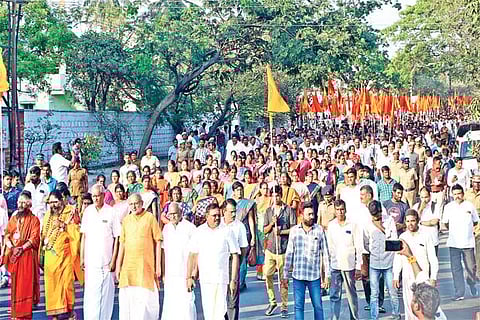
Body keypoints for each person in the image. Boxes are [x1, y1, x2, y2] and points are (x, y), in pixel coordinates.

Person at [187, 202, 240, 320]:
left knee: (220, 312)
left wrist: (233, 280)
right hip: (206, 279)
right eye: (213, 215)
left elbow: (235, 255)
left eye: (218, 215)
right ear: (207, 216)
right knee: (209, 312)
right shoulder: (199, 231)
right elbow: (192, 254)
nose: (216, 218)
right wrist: (189, 277)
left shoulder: (227, 231)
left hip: (222, 278)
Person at [116, 193, 162, 320]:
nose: (134, 206)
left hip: (145, 268)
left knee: (145, 306)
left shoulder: (150, 218)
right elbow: (122, 244)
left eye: (136, 203)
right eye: (131, 204)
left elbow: (158, 241)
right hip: (128, 269)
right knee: (128, 305)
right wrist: (118, 266)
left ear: (142, 203)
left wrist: (158, 266)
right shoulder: (126, 220)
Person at [282, 202, 329, 320]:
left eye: (313, 214)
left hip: (314, 277)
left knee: (318, 306)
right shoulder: (294, 231)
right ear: (301, 215)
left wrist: (327, 276)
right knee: (298, 307)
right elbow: (289, 254)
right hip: (298, 276)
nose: (312, 217)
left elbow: (325, 254)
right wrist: (285, 275)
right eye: (309, 214)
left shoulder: (319, 230)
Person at [80, 184, 121, 320]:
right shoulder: (88, 212)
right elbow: (84, 236)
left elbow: (117, 238)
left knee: (105, 300)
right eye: (94, 196)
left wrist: (113, 261)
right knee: (91, 298)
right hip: (90, 264)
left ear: (104, 195)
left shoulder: (111, 212)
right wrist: (81, 258)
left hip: (106, 264)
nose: (96, 198)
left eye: (98, 195)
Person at [41, 190, 83, 319]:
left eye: (56, 201)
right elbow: (44, 233)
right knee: (52, 286)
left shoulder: (70, 211)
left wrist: (64, 226)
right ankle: (55, 314)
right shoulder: (48, 214)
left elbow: (77, 231)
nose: (53, 205)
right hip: (50, 256)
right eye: (51, 202)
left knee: (66, 284)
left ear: (62, 200)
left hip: (65, 256)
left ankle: (70, 312)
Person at [393, 209, 439, 320]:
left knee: (424, 308)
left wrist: (433, 277)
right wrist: (395, 276)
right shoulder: (403, 237)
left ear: (417, 220)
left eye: (412, 221)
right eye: (408, 221)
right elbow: (398, 258)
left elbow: (433, 259)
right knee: (409, 306)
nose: (410, 224)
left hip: (422, 278)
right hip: (407, 278)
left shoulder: (426, 236)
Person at [3, 191, 41, 319]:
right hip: (15, 257)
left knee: (25, 286)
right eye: (19, 202)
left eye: (23, 202)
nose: (20, 205)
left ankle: (24, 314)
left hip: (27, 257)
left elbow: (34, 238)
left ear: (29, 204)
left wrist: (21, 248)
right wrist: (11, 247)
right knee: (15, 286)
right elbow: (7, 234)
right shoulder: (14, 218)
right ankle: (16, 314)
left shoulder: (34, 220)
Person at [363, 200, 400, 320]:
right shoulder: (367, 223)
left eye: (377, 214)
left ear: (381, 210)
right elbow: (366, 243)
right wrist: (373, 251)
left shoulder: (389, 221)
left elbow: (394, 241)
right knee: (374, 293)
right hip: (374, 262)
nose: (376, 217)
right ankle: (374, 317)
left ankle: (396, 314)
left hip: (388, 262)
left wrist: (381, 227)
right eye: (373, 215)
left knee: (392, 291)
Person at [263, 185, 297, 317]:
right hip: (270, 249)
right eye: (273, 195)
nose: (275, 197)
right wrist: (272, 224)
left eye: (277, 195)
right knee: (267, 275)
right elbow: (264, 230)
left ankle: (284, 306)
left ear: (281, 195)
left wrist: (281, 231)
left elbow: (294, 229)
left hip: (283, 250)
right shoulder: (268, 211)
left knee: (283, 280)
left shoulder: (288, 210)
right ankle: (272, 301)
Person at [442, 184, 479, 300]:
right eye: (455, 194)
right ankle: (459, 292)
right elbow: (445, 223)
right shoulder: (448, 207)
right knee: (456, 269)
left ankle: (472, 284)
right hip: (454, 243)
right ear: (452, 195)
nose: (457, 196)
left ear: (463, 194)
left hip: (468, 242)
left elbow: (476, 221)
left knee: (471, 268)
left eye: (459, 194)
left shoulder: (469, 206)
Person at [161, 202, 197, 320]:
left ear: (181, 213)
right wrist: (163, 273)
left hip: (185, 274)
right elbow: (163, 251)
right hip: (171, 274)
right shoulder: (166, 229)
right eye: (170, 214)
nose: (173, 216)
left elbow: (196, 252)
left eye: (175, 213)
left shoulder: (190, 228)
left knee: (187, 305)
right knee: (171, 306)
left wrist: (192, 274)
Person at [327, 199, 361, 320]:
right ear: (335, 211)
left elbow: (358, 246)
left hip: (349, 265)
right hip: (336, 265)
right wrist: (328, 268)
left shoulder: (353, 225)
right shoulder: (331, 226)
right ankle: (334, 318)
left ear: (345, 210)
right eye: (337, 210)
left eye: (342, 209)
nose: (340, 212)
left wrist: (358, 266)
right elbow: (329, 248)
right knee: (335, 295)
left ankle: (354, 317)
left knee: (351, 295)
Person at [222, 199, 248, 320]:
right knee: (219, 298)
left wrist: (236, 264)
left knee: (232, 297)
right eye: (230, 211)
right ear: (223, 211)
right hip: (218, 264)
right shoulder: (218, 224)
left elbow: (243, 248)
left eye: (235, 211)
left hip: (233, 262)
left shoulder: (239, 226)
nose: (233, 214)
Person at [231, 181, 256, 290]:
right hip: (232, 233)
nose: (239, 192)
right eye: (237, 190)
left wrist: (253, 236)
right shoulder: (230, 204)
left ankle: (240, 283)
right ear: (233, 192)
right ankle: (236, 280)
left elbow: (251, 220)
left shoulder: (247, 204)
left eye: (241, 189)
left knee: (243, 259)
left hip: (245, 232)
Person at [413, 188, 441, 255]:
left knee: (433, 263)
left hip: (433, 240)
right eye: (422, 197)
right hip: (420, 241)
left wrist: (421, 223)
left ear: (430, 196)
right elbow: (414, 221)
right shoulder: (416, 207)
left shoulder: (435, 206)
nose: (424, 200)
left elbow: (434, 222)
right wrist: (421, 209)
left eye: (426, 197)